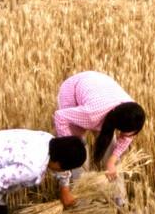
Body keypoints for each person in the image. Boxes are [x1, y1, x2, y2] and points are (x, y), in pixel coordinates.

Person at [52, 71, 146, 206]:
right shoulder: (91, 114)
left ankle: (120, 200)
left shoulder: (132, 112)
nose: (127, 137)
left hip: (100, 91)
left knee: (113, 159)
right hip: (73, 92)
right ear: (117, 126)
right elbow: (60, 116)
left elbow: (128, 137)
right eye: (125, 133)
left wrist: (111, 162)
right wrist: (70, 144)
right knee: (78, 152)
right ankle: (82, 202)